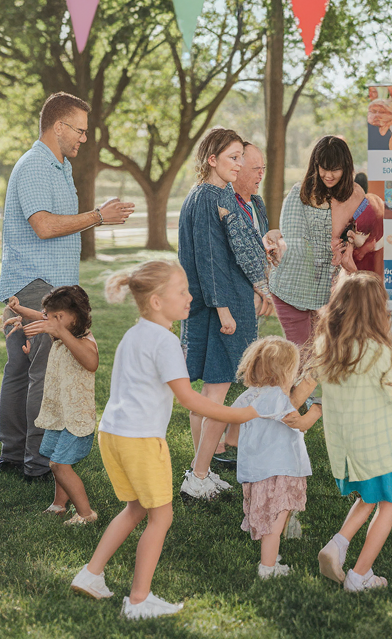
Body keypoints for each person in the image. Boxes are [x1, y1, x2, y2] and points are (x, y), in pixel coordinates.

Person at [70, 261, 259, 620]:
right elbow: (188, 399)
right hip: (140, 439)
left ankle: (91, 574)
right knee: (161, 517)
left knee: (136, 508)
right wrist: (241, 415)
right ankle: (139, 600)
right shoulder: (166, 340)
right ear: (157, 301)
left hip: (112, 433)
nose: (190, 297)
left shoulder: (134, 334)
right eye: (182, 291)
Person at [0, 92, 134, 482]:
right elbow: (43, 226)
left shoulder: (59, 166)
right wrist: (98, 217)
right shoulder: (37, 166)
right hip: (37, 286)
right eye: (80, 130)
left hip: (38, 284)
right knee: (41, 372)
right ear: (58, 126)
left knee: (21, 371)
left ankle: (14, 456)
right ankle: (37, 464)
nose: (84, 138)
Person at [310, 273, 392, 592]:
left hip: (345, 444)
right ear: (376, 309)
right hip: (375, 444)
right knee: (390, 503)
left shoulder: (328, 344)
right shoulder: (380, 350)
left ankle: (337, 545)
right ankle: (359, 575)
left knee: (369, 497)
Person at [177, 128, 266, 500]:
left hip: (230, 303)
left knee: (213, 394)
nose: (240, 164)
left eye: (240, 158)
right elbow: (207, 260)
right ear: (211, 160)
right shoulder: (207, 197)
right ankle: (198, 477)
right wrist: (224, 310)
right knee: (214, 395)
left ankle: (203, 471)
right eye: (233, 157)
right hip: (221, 311)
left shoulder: (219, 195)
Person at [227, 336, 322, 579]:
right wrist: (317, 410)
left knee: (271, 519)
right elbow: (299, 424)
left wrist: (228, 441)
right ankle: (268, 568)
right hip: (280, 469)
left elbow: (232, 433)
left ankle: (271, 559)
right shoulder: (277, 399)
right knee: (274, 524)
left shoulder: (249, 395)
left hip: (256, 470)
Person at [6, 285, 100, 523]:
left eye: (59, 317)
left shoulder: (84, 340)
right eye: (52, 317)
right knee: (55, 458)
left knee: (59, 465)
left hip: (76, 417)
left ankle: (86, 514)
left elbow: (91, 363)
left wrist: (58, 329)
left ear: (76, 316)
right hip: (59, 414)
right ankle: (59, 504)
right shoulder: (59, 332)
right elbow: (41, 317)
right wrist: (19, 309)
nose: (53, 322)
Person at [270, 136, 367, 350]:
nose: (329, 175)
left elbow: (364, 232)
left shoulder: (355, 195)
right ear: (315, 165)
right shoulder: (300, 194)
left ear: (346, 167)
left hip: (327, 292)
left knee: (323, 358)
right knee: (302, 358)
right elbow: (295, 241)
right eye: (324, 168)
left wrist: (351, 243)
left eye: (336, 169)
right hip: (292, 289)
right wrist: (329, 252)